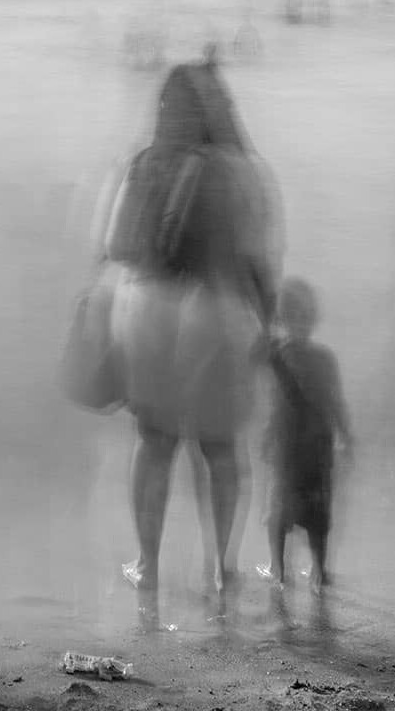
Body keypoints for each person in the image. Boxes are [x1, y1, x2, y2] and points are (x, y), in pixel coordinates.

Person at [105, 56, 281, 625]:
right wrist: (267, 325)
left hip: (151, 309)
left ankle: (149, 567)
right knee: (223, 449)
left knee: (155, 443)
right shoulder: (244, 170)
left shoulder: (145, 163)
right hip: (221, 313)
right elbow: (260, 260)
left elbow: (118, 247)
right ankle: (220, 569)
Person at [257, 277, 353, 607]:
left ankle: (279, 570)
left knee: (280, 513)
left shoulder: (278, 355)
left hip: (290, 448)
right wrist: (346, 435)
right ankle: (318, 572)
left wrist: (267, 439)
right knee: (317, 514)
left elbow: (276, 404)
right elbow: (336, 402)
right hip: (316, 447)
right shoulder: (324, 358)